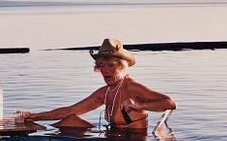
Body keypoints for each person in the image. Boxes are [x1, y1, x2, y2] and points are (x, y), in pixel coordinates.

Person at [17, 38, 176, 131]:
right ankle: (43, 139)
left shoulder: (130, 87)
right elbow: (70, 110)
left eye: (111, 65)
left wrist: (139, 105)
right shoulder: (105, 92)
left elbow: (170, 103)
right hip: (112, 139)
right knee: (70, 119)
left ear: (121, 66)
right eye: (101, 66)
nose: (106, 71)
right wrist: (34, 116)